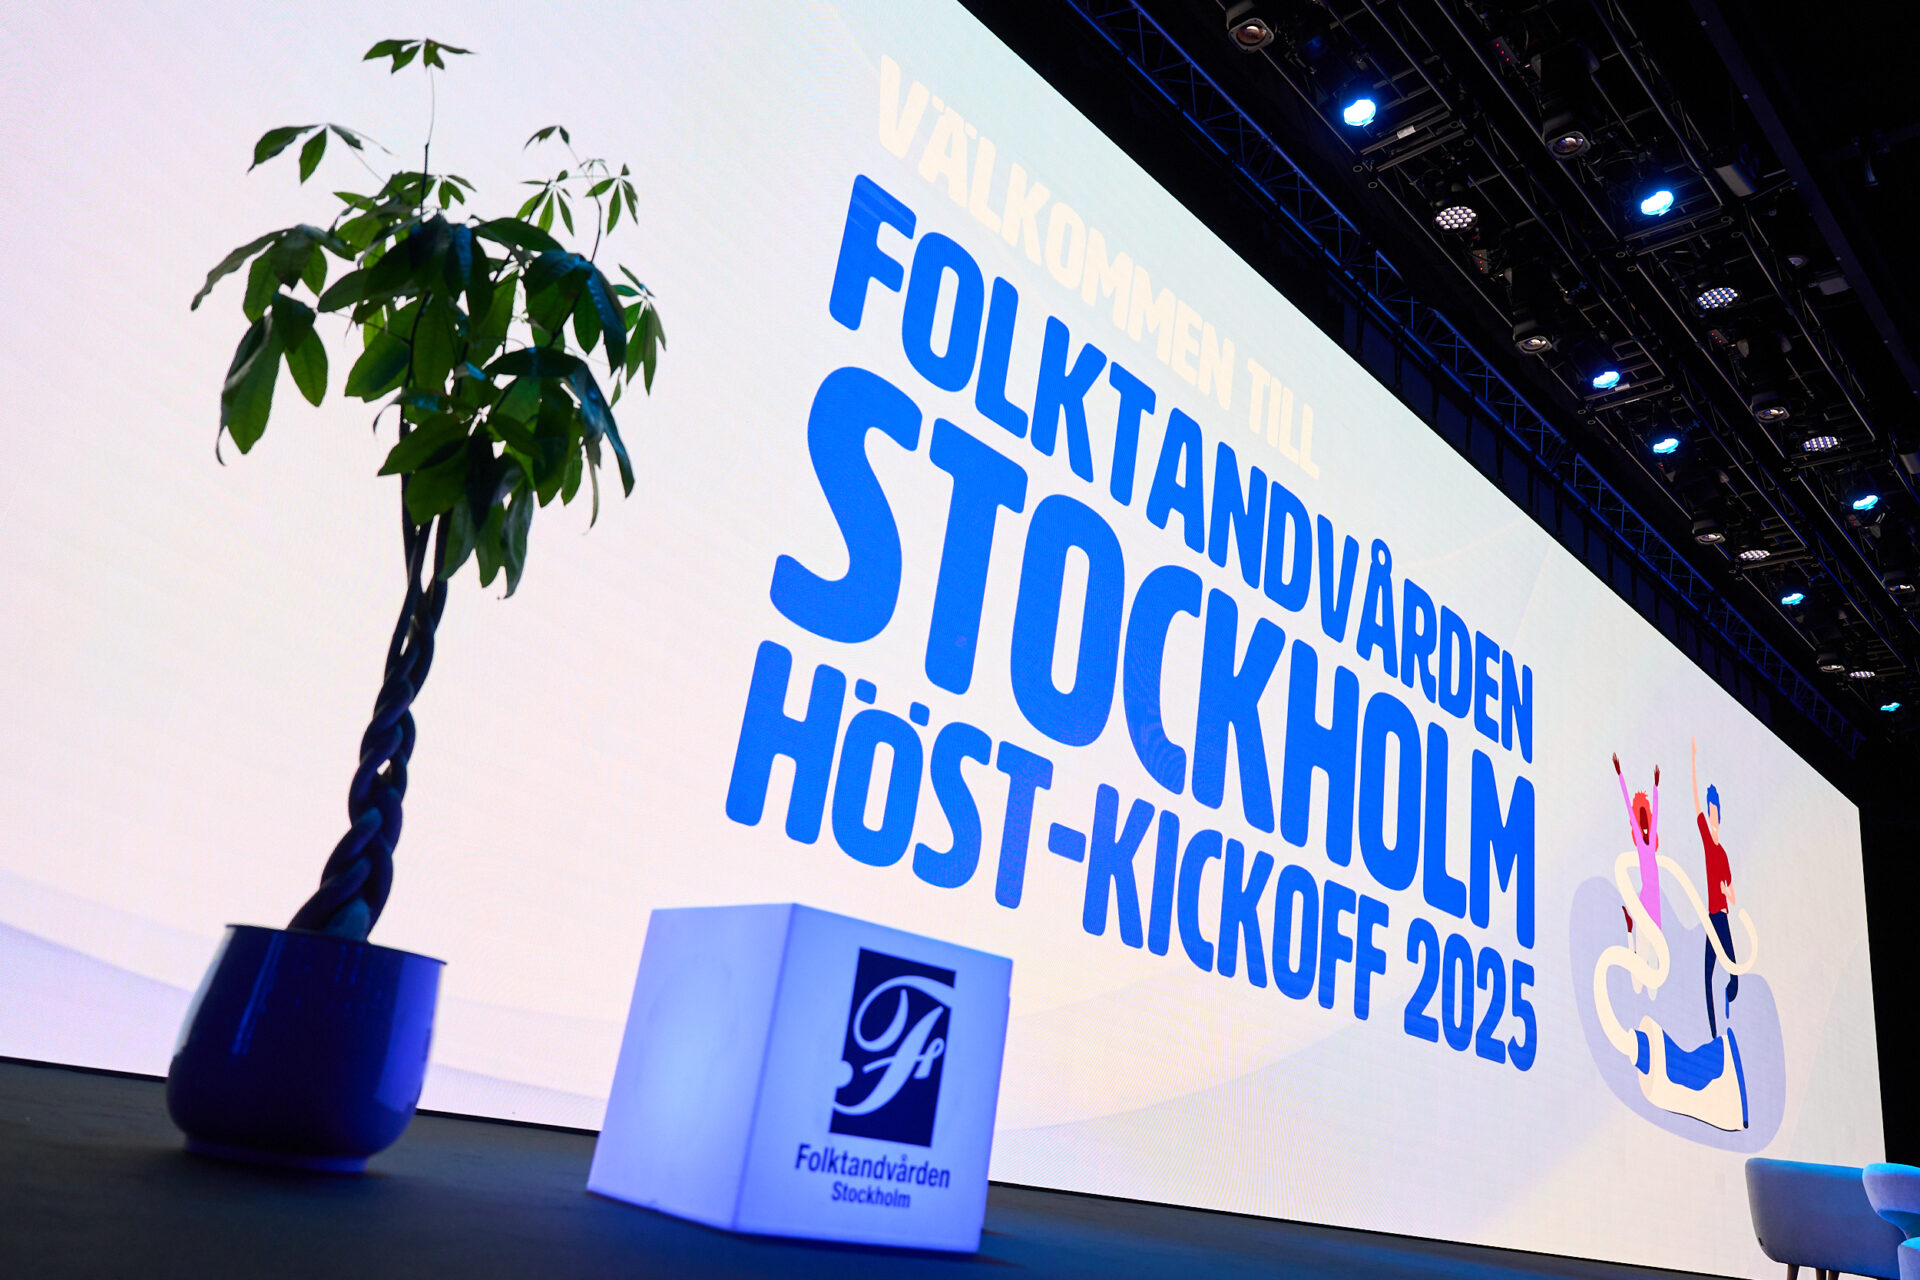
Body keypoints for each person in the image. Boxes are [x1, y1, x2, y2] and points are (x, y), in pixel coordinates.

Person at [1692, 736, 1738, 1037]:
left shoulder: (1722, 853)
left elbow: (1732, 894)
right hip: (1712, 918)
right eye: (1709, 813)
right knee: (1707, 974)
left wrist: (1726, 892)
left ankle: (1728, 1000)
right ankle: (1711, 1033)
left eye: (1715, 812)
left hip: (1723, 916)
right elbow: (1695, 799)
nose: (1713, 818)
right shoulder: (1709, 845)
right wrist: (1693, 759)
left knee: (1733, 973)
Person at [1612, 753, 1661, 994]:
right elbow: (1628, 810)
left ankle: (1632, 929)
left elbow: (1656, 815)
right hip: (1645, 903)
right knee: (1637, 985)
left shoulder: (1651, 841)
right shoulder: (1643, 846)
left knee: (1654, 983)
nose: (1642, 819)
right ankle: (1630, 930)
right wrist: (1620, 774)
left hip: (1655, 905)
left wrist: (1656, 787)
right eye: (1639, 814)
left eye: (1645, 815)